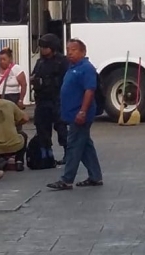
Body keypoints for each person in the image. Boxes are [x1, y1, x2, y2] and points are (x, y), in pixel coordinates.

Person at [47, 38, 103, 190]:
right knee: (85, 146)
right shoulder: (72, 67)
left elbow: (89, 90)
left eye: (73, 50)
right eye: (68, 49)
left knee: (73, 146)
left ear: (83, 52)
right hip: (72, 114)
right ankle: (95, 176)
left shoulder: (86, 68)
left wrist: (83, 111)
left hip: (80, 115)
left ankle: (67, 179)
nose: (69, 52)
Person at [31, 34, 68, 164]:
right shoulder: (40, 62)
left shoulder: (62, 61)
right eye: (41, 47)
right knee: (42, 128)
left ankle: (68, 154)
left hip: (57, 99)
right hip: (42, 100)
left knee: (61, 127)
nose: (42, 50)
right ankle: (47, 155)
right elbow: (34, 75)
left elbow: (65, 80)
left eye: (45, 47)